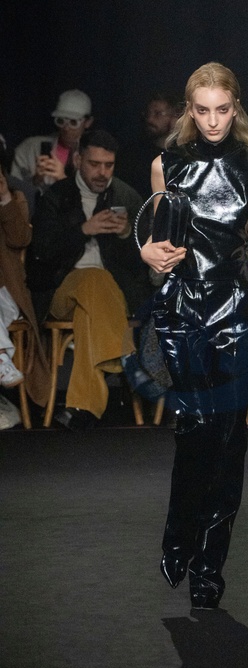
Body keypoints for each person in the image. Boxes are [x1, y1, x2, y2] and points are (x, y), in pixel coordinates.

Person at [140, 62, 248, 610]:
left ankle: (208, 566)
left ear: (235, 107)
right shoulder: (165, 165)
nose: (213, 120)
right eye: (202, 110)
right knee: (195, 428)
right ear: (189, 110)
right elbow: (159, 248)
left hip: (235, 311)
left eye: (222, 109)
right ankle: (180, 533)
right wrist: (146, 254)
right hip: (180, 310)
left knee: (229, 439)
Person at [28, 129, 151, 430]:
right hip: (62, 289)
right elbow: (41, 254)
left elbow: (144, 264)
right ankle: (126, 358)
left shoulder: (126, 197)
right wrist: (84, 230)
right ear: (78, 160)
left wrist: (126, 235)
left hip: (112, 296)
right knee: (93, 279)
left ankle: (84, 406)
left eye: (109, 165)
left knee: (92, 307)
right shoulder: (56, 196)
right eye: (95, 164)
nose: (102, 172)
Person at [0, 156, 50, 420]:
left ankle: (0, 359)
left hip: (5, 292)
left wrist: (4, 197)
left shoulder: (14, 198)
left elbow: (20, 239)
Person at [11, 89, 93, 194]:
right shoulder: (29, 148)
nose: (66, 128)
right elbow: (13, 192)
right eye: (60, 121)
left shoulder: (96, 156)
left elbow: (95, 196)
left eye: (73, 122)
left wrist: (63, 180)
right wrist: (36, 180)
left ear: (88, 122)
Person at [115, 92, 179, 199]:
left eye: (158, 114)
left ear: (175, 117)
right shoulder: (133, 155)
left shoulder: (183, 155)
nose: (150, 119)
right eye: (148, 113)